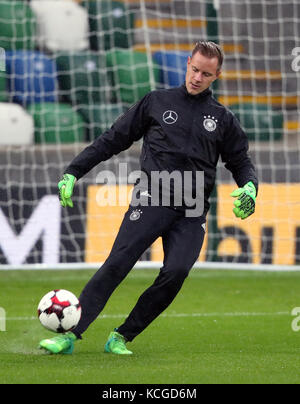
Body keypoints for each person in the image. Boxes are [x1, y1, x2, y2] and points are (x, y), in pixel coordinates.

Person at [39, 41, 258, 355]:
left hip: (192, 210)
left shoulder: (222, 118)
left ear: (216, 76)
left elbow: (241, 163)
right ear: (188, 63)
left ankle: (122, 335)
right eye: (194, 69)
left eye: (206, 74)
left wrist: (250, 187)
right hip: (151, 199)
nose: (198, 77)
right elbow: (113, 138)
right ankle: (69, 335)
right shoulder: (157, 101)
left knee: (176, 273)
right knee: (117, 264)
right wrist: (74, 171)